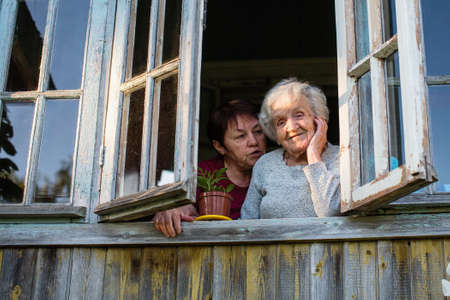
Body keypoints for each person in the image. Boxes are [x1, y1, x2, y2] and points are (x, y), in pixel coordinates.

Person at [153, 100, 267, 237]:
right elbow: (166, 207)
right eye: (241, 136)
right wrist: (171, 207)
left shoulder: (276, 170)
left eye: (258, 131)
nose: (254, 142)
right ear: (219, 147)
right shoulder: (200, 174)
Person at [240, 78, 340, 219]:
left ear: (318, 119)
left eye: (299, 115)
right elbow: (247, 222)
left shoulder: (342, 156)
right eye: (281, 122)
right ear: (275, 134)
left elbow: (330, 213)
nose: (291, 128)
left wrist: (313, 155)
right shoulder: (265, 165)